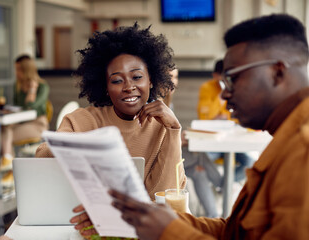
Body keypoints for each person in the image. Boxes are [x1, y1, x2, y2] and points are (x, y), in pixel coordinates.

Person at [93, 14, 309, 240]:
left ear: (278, 72)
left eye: (232, 78)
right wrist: (149, 217)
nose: (224, 93)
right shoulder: (287, 140)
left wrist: (169, 232)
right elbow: (235, 233)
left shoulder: (303, 150)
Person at [36, 23, 186, 200]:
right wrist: (89, 145)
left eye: (137, 77)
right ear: (105, 87)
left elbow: (162, 195)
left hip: (143, 222)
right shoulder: (81, 120)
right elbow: (42, 156)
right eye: (116, 81)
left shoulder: (162, 127)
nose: (129, 87)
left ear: (151, 80)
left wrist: (174, 130)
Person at [183, 60, 254, 218]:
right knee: (204, 159)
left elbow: (238, 118)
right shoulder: (208, 88)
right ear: (215, 75)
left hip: (230, 143)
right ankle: (226, 188)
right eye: (223, 77)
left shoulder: (235, 87)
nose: (226, 81)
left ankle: (224, 187)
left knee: (249, 162)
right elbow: (204, 118)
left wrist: (222, 117)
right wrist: (219, 99)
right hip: (213, 145)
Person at [0, 55, 49, 184]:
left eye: (19, 70)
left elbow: (31, 106)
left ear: (27, 70)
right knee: (4, 130)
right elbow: (19, 107)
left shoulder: (42, 87)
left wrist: (32, 89)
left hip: (38, 125)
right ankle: (9, 165)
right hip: (23, 123)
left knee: (4, 137)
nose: (16, 73)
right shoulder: (18, 86)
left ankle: (9, 168)